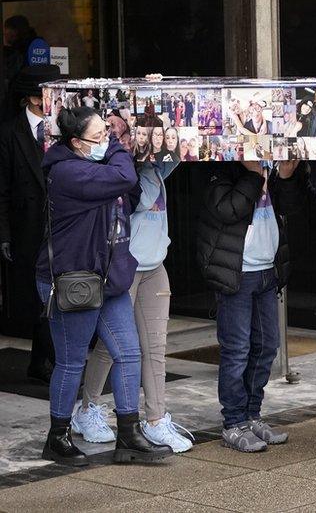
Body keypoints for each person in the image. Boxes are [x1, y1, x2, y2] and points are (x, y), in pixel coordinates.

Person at [35, 106, 172, 465]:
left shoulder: (93, 165)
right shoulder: (66, 172)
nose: (107, 141)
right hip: (73, 278)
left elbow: (129, 194)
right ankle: (58, 435)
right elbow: (124, 178)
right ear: (77, 143)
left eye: (108, 134)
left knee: (128, 353)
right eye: (100, 136)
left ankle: (128, 434)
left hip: (107, 276)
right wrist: (116, 148)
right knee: (70, 362)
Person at [74, 154, 194, 452]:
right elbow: (138, 201)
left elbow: (182, 153)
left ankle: (155, 420)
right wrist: (140, 162)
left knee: (155, 347)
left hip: (155, 265)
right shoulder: (122, 173)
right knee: (112, 345)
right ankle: (87, 410)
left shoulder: (155, 167)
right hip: (125, 267)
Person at [196, 157, 301, 453]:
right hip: (236, 273)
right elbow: (228, 210)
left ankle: (252, 415)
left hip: (268, 270)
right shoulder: (218, 168)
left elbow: (291, 211)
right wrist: (253, 175)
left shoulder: (272, 167)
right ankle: (233, 422)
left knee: (268, 345)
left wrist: (287, 178)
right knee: (237, 349)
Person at [0, 64, 61, 382]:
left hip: (64, 223)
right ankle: (43, 359)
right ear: (32, 98)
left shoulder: (64, 127)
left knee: (59, 290)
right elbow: (3, 188)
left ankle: (48, 359)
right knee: (39, 295)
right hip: (28, 227)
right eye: (44, 94)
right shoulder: (10, 133)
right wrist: (5, 233)